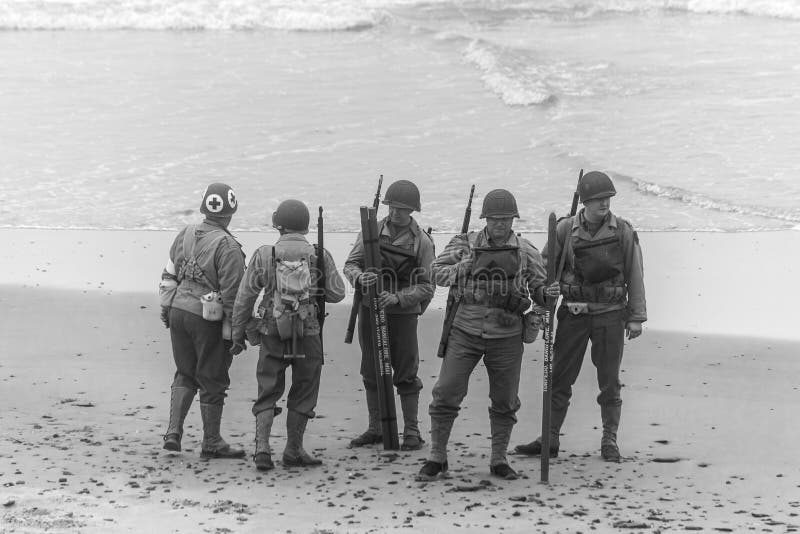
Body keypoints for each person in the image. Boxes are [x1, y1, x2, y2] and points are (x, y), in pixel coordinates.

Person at [515, 171, 647, 462]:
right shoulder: (564, 229)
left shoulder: (623, 230)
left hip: (611, 316)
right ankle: (549, 438)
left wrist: (636, 316)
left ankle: (609, 440)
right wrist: (544, 293)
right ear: (585, 201)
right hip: (573, 315)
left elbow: (635, 272)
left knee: (609, 382)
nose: (604, 204)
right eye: (598, 199)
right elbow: (544, 268)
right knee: (560, 379)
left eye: (608, 198)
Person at [416, 189, 547, 482]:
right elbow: (436, 274)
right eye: (495, 218)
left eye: (506, 219)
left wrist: (540, 309)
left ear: (514, 219)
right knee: (446, 391)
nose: (500, 224)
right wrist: (467, 264)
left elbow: (542, 288)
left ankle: (499, 459)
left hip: (508, 333)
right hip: (465, 329)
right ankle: (437, 456)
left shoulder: (526, 250)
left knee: (505, 399)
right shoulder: (464, 244)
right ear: (485, 218)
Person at [230, 199, 345, 471]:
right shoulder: (319, 254)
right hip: (309, 331)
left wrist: (238, 332)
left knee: (267, 389)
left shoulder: (264, 254)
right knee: (305, 389)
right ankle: (293, 449)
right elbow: (338, 294)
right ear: (306, 226)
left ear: (278, 224)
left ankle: (262, 449)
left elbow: (244, 298)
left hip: (272, 330)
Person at [343, 179, 435, 451]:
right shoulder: (371, 231)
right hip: (370, 310)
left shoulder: (422, 242)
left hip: (403, 315)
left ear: (412, 211)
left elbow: (428, 286)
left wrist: (398, 297)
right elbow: (351, 264)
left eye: (402, 209)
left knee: (406, 373)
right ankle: (376, 427)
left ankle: (411, 431)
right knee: (371, 371)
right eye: (393, 207)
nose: (396, 213)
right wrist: (361, 279)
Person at [160, 183, 247, 459]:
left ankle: (173, 432)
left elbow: (168, 274)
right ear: (230, 213)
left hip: (178, 311)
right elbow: (234, 295)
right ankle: (211, 442)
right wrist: (235, 333)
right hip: (206, 318)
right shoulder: (228, 246)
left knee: (185, 372)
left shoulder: (184, 234)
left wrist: (166, 310)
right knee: (213, 377)